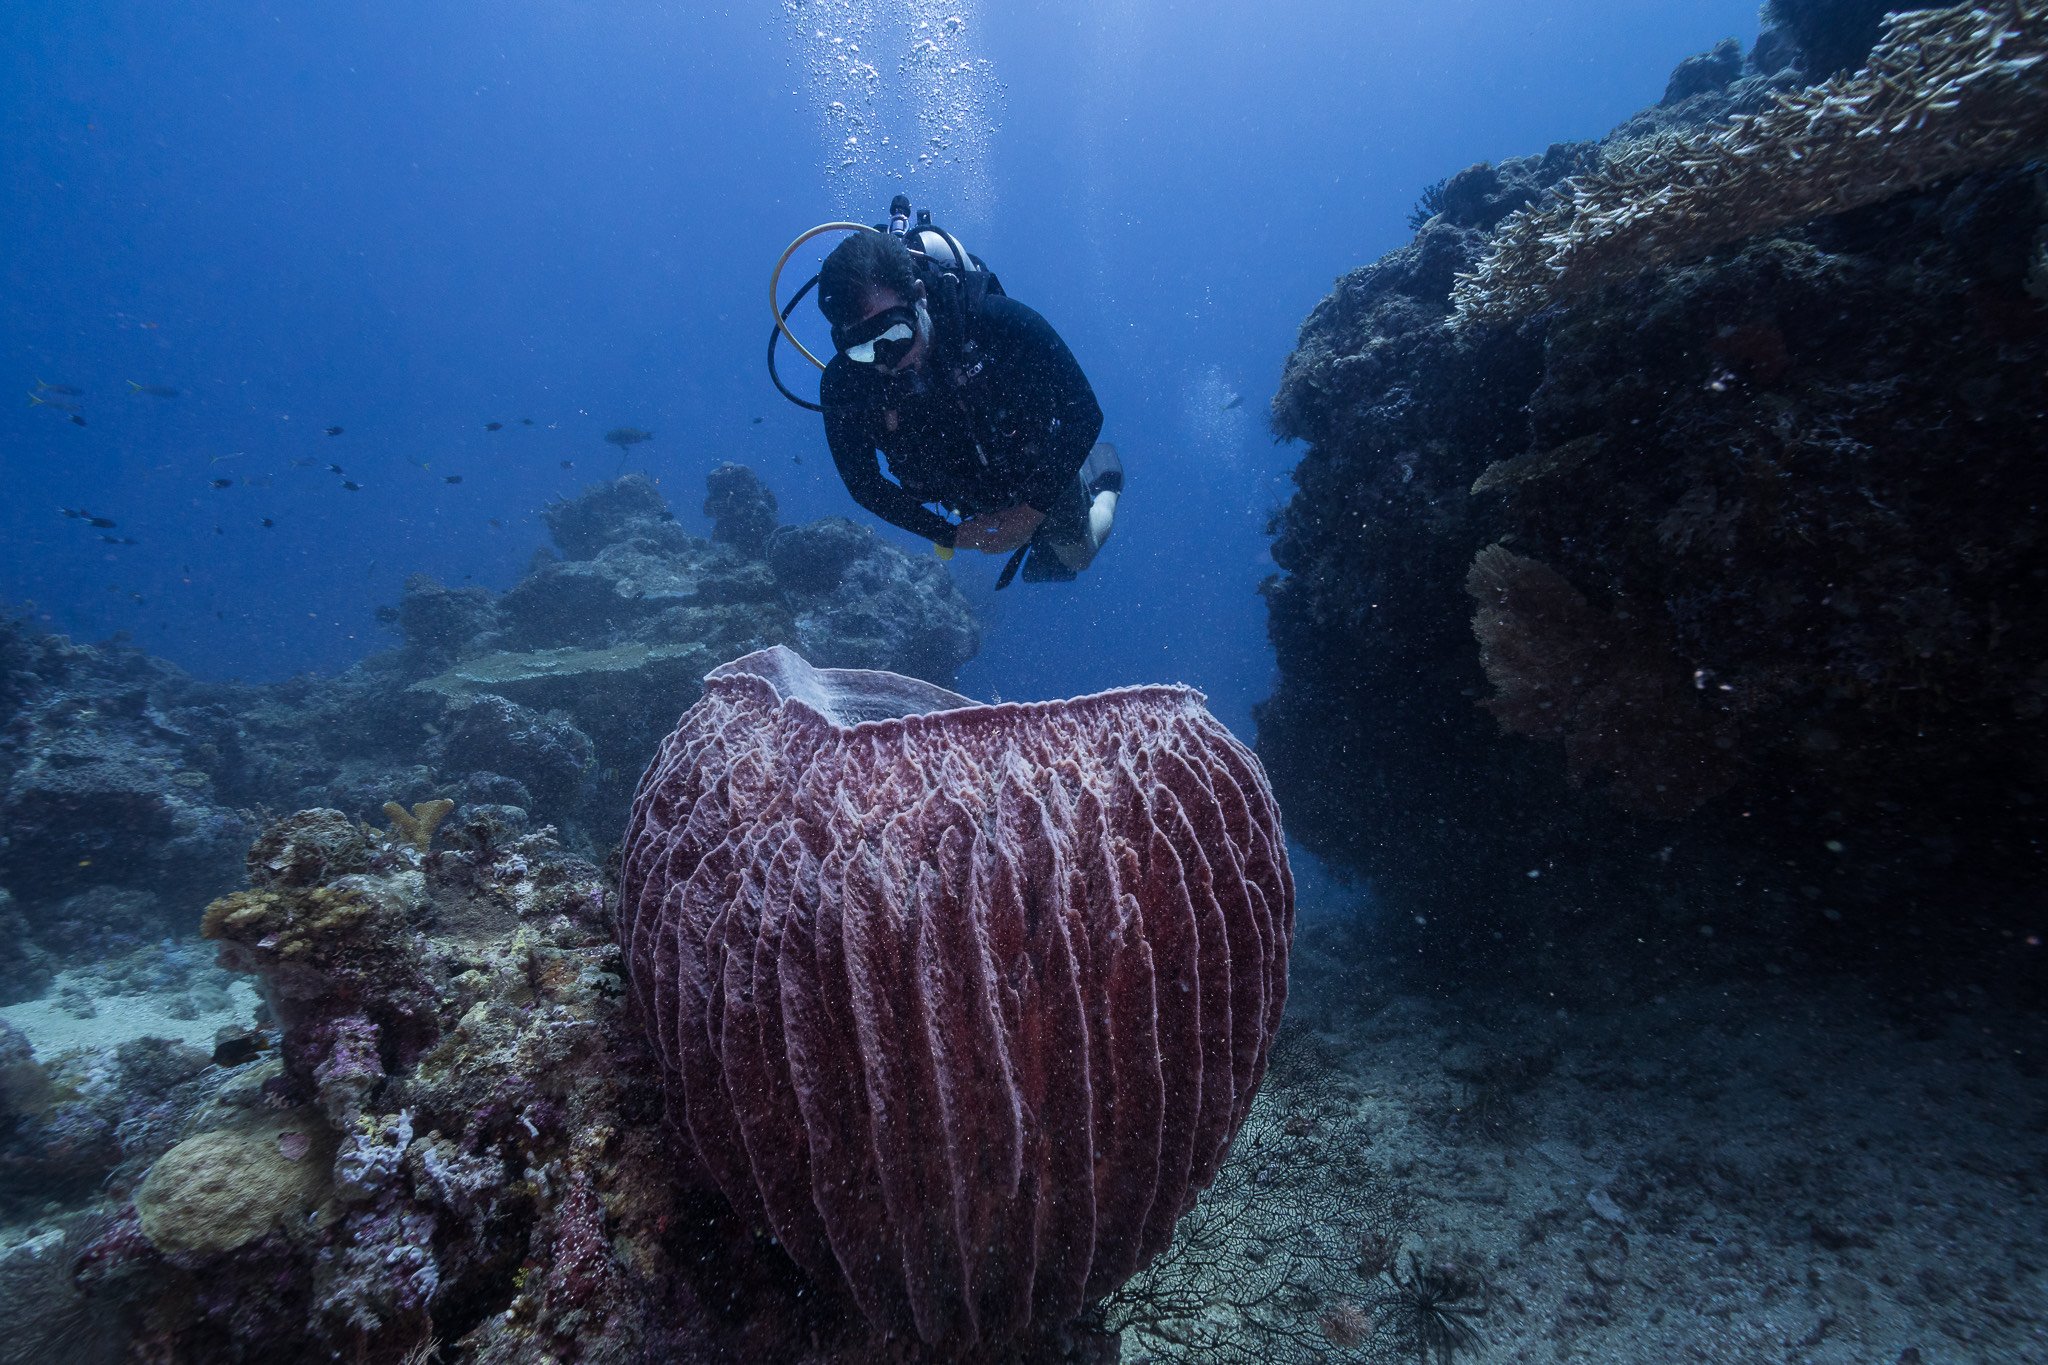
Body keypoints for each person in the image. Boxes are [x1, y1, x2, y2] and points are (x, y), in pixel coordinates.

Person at [815, 229, 1121, 584]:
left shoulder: (996, 322)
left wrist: (1030, 512)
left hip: (1038, 470)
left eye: (895, 335)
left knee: (1079, 556)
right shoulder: (845, 382)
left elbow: (1083, 412)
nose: (886, 362)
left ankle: (1105, 480)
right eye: (862, 349)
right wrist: (948, 534)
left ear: (919, 296)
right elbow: (863, 484)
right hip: (963, 493)